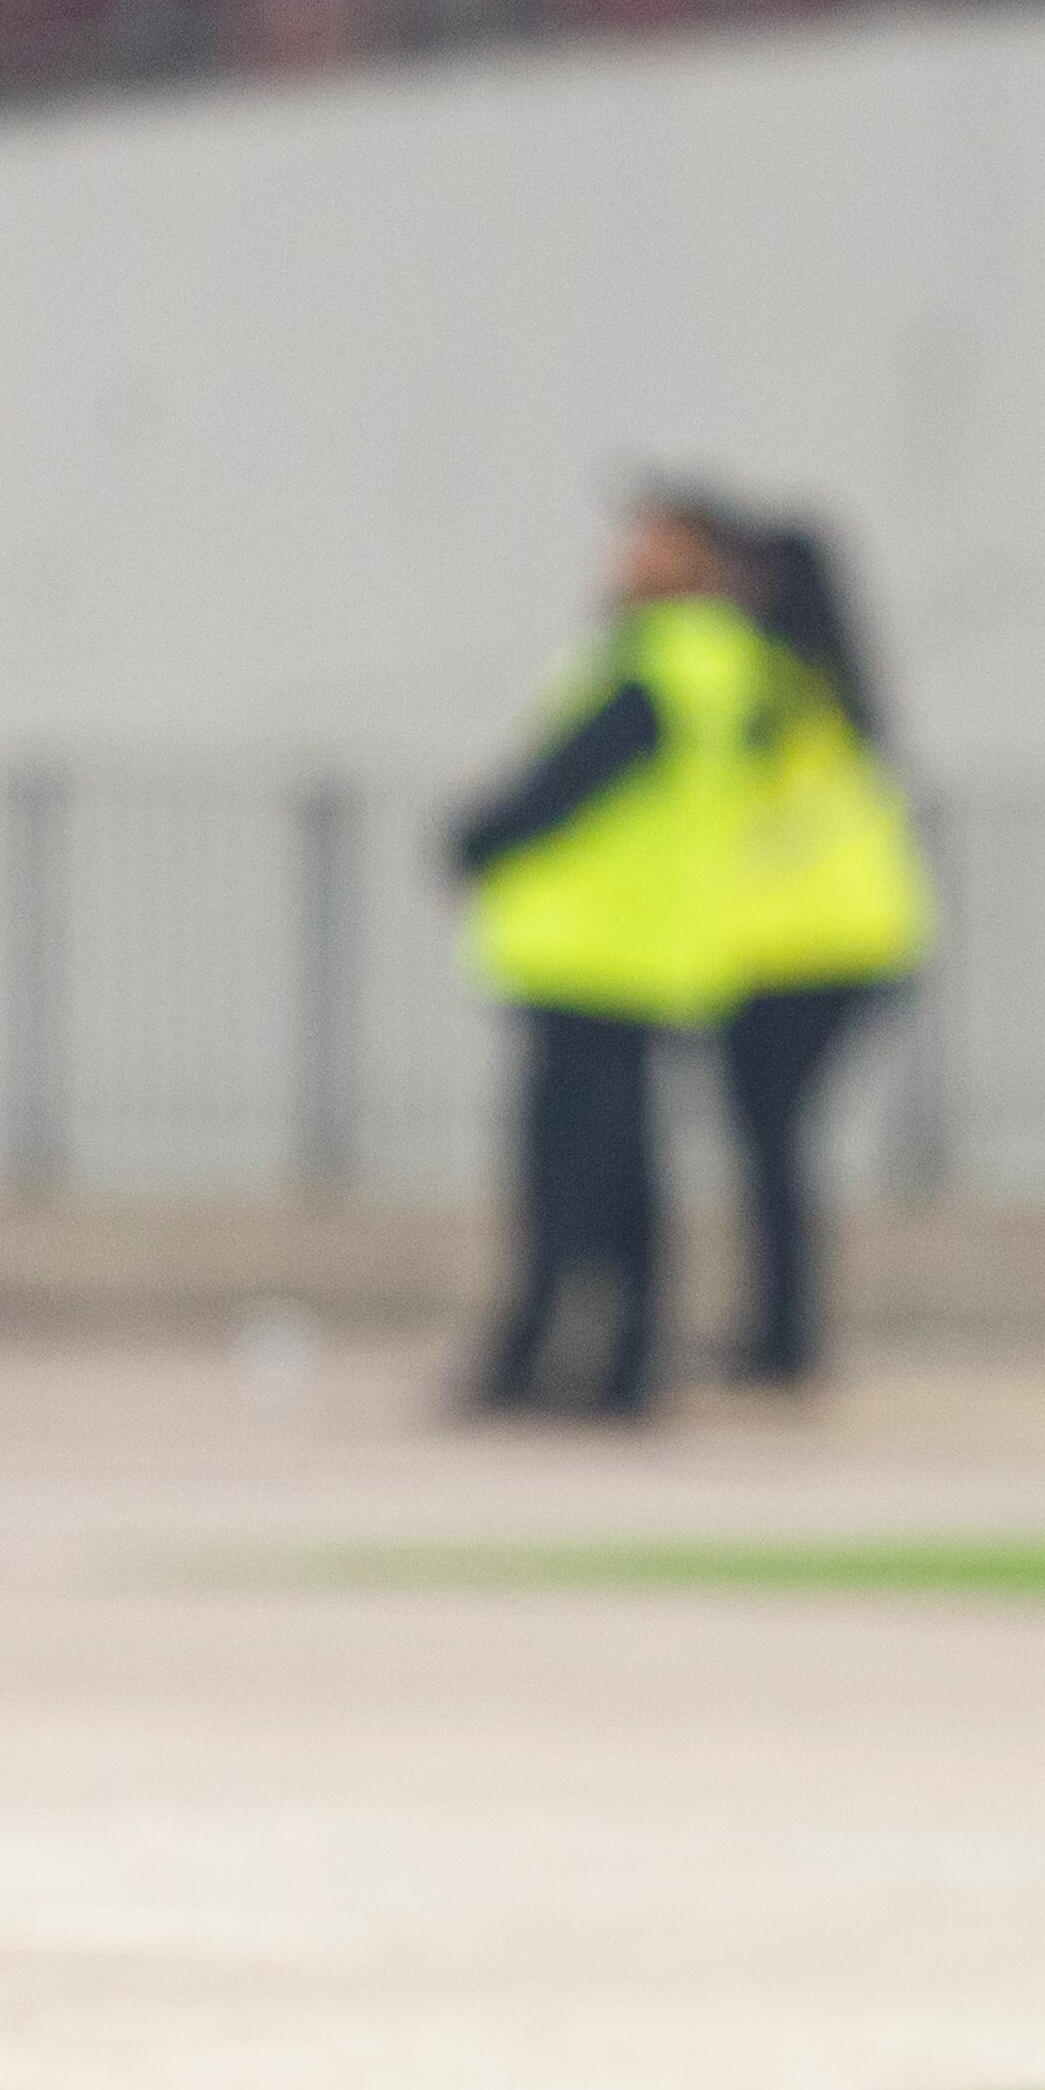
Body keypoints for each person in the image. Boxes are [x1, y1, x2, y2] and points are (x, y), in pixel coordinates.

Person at [446, 491, 769, 1420]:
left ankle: (551, 1350)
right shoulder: (708, 662)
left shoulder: (665, 663)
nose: (626, 559)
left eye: (653, 544)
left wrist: (478, 838)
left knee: (571, 1170)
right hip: (634, 953)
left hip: (602, 955)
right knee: (621, 1172)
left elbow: (566, 780)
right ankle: (615, 1357)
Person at [711, 516, 936, 1390]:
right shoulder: (836, 683)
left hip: (793, 951)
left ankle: (781, 1334)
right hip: (862, 941)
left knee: (770, 1145)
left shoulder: (762, 682)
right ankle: (782, 1328)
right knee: (780, 1146)